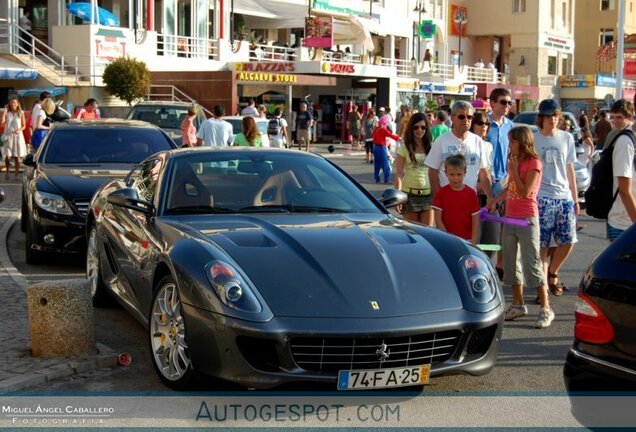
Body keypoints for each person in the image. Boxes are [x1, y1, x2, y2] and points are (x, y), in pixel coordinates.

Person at [488, 126, 555, 328]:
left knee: (532, 263)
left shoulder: (534, 163)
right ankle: (518, 305)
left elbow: (526, 192)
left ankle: (546, 308)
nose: (510, 146)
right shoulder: (513, 162)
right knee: (510, 263)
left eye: (512, 142)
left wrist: (515, 170)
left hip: (527, 219)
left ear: (522, 142)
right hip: (510, 217)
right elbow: (512, 188)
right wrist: (495, 201)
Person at [534, 98, 578, 297]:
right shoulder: (534, 139)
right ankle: (542, 288)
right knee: (542, 245)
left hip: (563, 196)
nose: (553, 119)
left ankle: (553, 271)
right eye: (549, 115)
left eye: (556, 115)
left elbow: (570, 168)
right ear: (541, 118)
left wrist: (575, 198)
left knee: (568, 240)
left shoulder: (566, 138)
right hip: (541, 196)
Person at [425, 100, 492, 200]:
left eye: (469, 117)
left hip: (470, 200)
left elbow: (483, 171)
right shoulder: (441, 141)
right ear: (452, 117)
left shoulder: (478, 141)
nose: (466, 120)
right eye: (461, 117)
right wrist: (438, 197)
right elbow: (432, 172)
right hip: (447, 200)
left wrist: (490, 197)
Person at [486, 88, 515, 277]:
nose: (507, 106)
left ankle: (502, 265)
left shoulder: (511, 126)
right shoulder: (483, 124)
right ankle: (485, 262)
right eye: (503, 102)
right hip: (485, 181)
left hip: (504, 181)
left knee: (505, 226)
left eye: (509, 103)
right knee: (487, 227)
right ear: (493, 103)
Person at [393, 112, 434, 225]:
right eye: (416, 127)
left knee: (428, 234)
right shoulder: (404, 147)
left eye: (423, 127)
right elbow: (399, 175)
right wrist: (398, 197)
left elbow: (436, 173)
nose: (419, 130)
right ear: (411, 128)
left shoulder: (432, 147)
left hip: (428, 196)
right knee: (414, 234)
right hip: (409, 196)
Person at [432, 154, 481, 245]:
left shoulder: (471, 194)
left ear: (465, 173)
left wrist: (473, 242)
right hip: (446, 240)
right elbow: (438, 219)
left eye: (459, 174)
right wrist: (448, 238)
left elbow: (475, 220)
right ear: (445, 173)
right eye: (452, 174)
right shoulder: (441, 193)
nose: (455, 178)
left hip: (467, 241)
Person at [607, 99, 636, 241]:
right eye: (613, 117)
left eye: (619, 117)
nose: (615, 121)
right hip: (624, 225)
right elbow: (624, 189)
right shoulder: (625, 142)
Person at [0, 96, 28, 180]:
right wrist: (4, 111)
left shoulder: (21, 113)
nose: (13, 104)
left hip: (17, 136)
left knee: (17, 156)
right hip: (8, 136)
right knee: (7, 156)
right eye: (11, 102)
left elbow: (24, 126)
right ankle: (7, 171)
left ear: (17, 104)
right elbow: (2, 123)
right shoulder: (7, 113)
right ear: (9, 104)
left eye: (14, 102)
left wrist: (19, 130)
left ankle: (16, 174)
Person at [371, 116, 401, 183]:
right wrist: (398, 138)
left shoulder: (376, 128)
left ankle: (377, 179)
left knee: (377, 164)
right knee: (385, 164)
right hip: (381, 148)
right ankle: (387, 179)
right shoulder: (383, 129)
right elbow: (390, 135)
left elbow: (372, 135)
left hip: (375, 147)